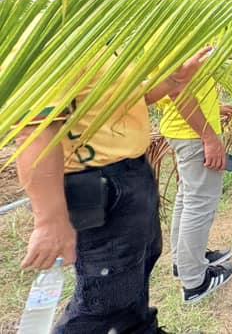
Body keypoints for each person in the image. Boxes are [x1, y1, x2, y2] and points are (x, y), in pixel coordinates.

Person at [14, 47, 215, 333]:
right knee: (104, 302)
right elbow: (36, 130)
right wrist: (49, 220)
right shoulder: (57, 41)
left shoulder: (108, 39)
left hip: (131, 174)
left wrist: (174, 81)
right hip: (100, 184)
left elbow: (132, 99)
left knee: (136, 274)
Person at [157, 77, 232, 304]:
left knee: (188, 199)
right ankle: (194, 281)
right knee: (199, 205)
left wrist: (211, 110)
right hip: (193, 134)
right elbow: (177, 90)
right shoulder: (171, 42)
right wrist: (209, 137)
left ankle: (183, 263)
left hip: (186, 127)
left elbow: (171, 91)